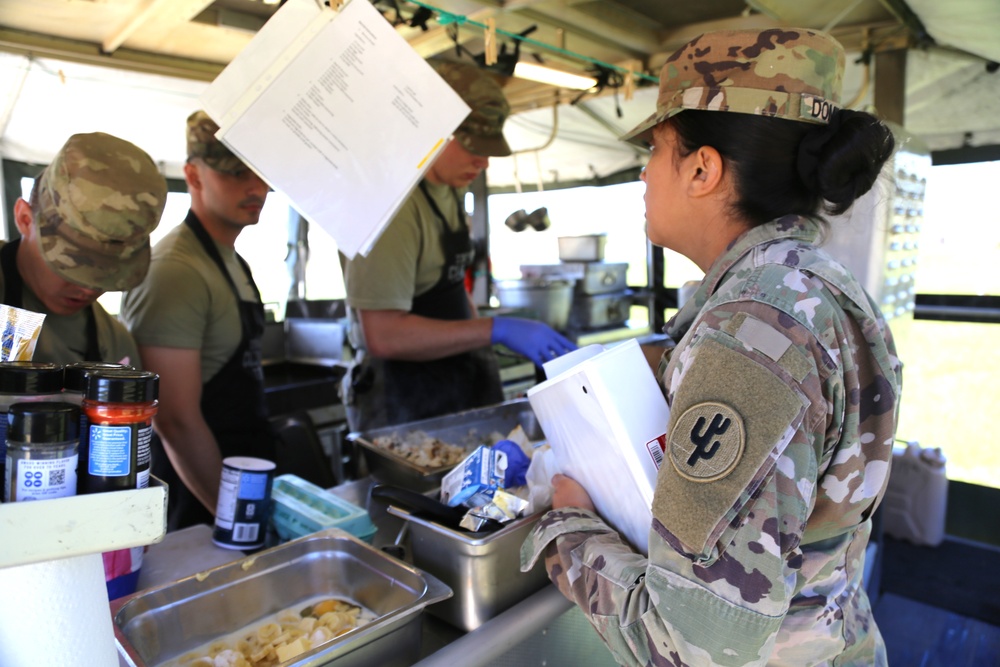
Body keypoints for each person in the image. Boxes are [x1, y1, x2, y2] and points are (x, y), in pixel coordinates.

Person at [521, 28, 901, 666]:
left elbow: (692, 644)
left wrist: (569, 526)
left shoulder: (753, 331)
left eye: (654, 149)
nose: (643, 174)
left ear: (702, 168)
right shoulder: (805, 286)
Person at [340, 60, 575, 431]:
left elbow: (449, 284)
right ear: (427, 128)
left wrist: (479, 331)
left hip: (457, 381)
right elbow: (383, 335)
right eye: (471, 147)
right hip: (404, 403)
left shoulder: (449, 187)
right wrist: (494, 329)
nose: (482, 161)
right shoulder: (391, 207)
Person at [121, 110, 275, 531]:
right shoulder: (176, 271)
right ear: (192, 174)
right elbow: (175, 421)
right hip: (198, 503)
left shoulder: (232, 260)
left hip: (237, 473)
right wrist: (235, 518)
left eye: (263, 173)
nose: (256, 187)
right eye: (235, 172)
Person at [2, 132, 165, 365]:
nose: (89, 289)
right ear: (25, 219)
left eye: (106, 272)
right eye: (72, 262)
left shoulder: (113, 344)